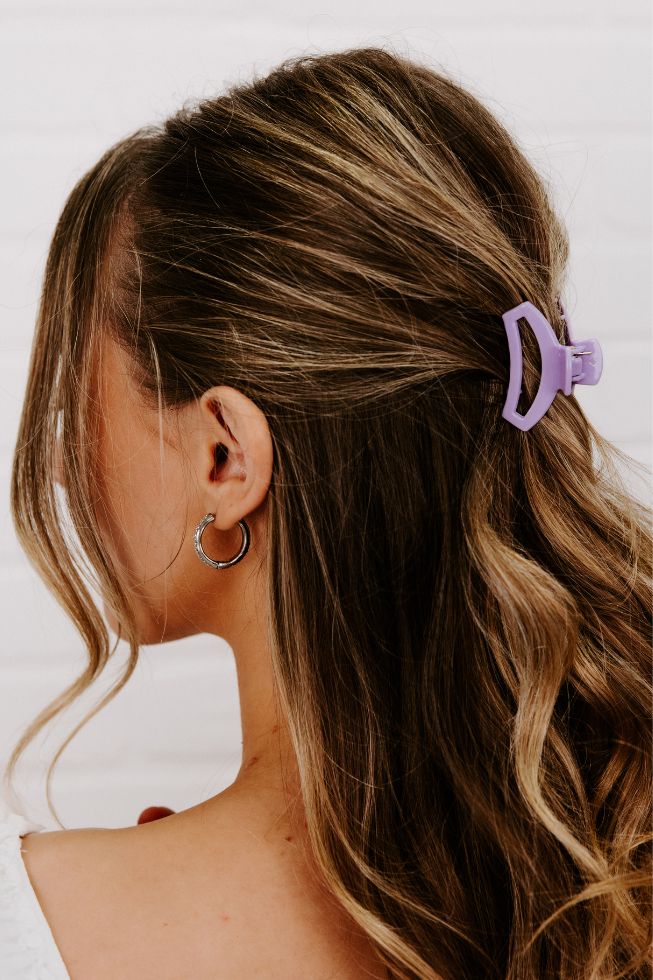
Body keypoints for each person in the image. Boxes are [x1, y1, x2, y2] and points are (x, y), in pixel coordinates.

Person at [1, 44, 651, 979]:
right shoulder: (615, 870)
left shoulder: (33, 926)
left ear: (225, 458)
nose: (64, 469)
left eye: (77, 404)